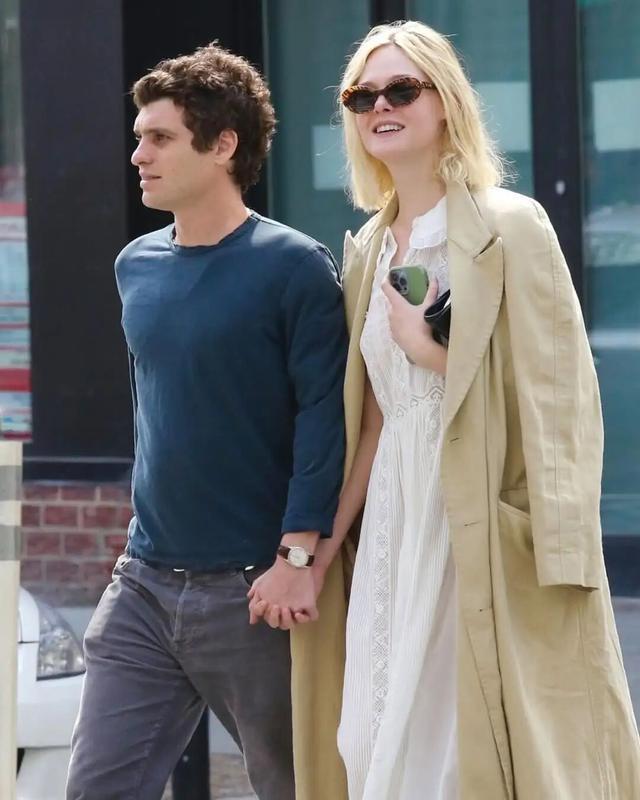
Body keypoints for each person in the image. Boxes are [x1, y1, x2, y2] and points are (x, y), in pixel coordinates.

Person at [279, 20, 640, 800]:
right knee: (370, 735)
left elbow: (559, 394)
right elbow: (372, 423)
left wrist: (431, 348)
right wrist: (314, 557)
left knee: (456, 750)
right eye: (362, 95)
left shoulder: (509, 226)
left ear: (444, 100)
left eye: (402, 89)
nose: (381, 106)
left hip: (474, 517)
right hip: (392, 525)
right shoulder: (368, 249)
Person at [65, 42, 347, 800]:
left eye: (159, 138)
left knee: (298, 787)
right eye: (139, 136)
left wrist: (296, 556)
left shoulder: (294, 266)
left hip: (254, 591)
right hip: (143, 584)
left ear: (223, 146)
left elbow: (325, 418)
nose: (138, 155)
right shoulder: (134, 265)